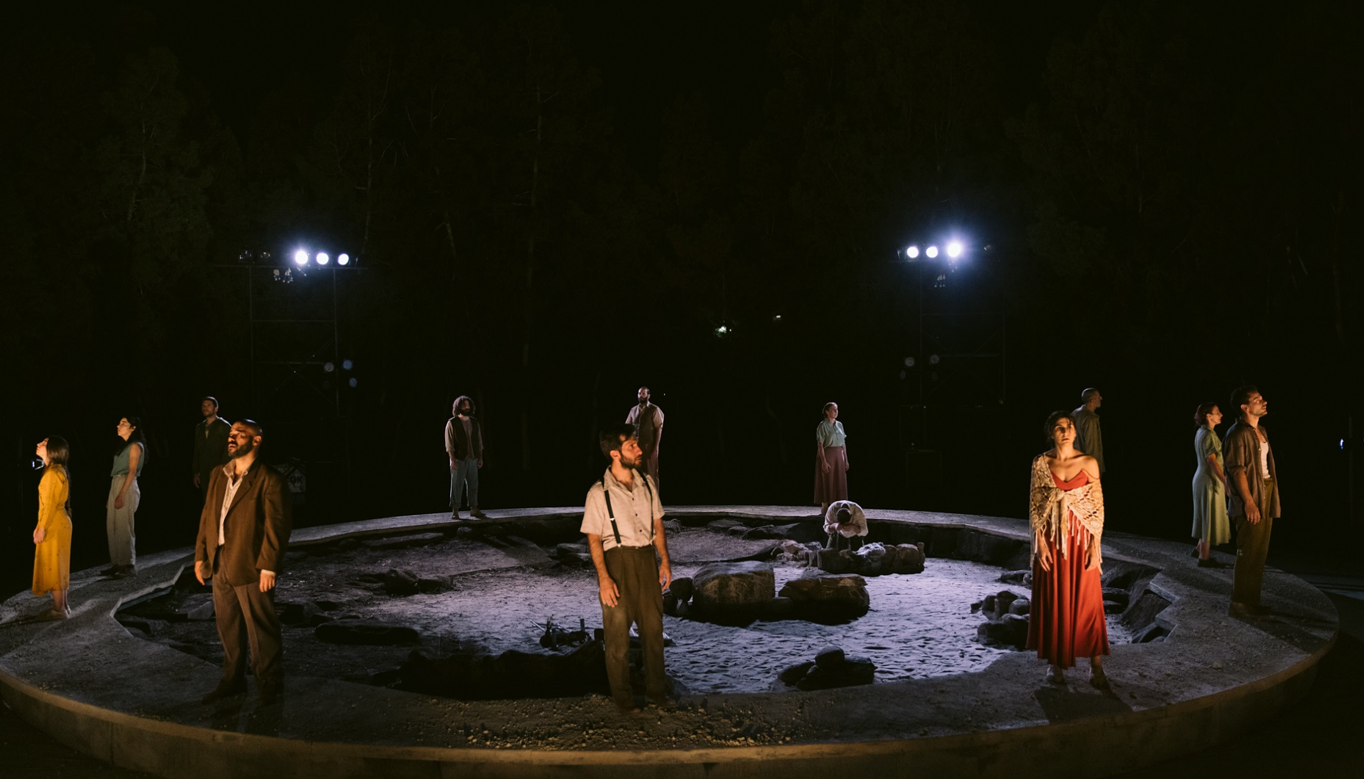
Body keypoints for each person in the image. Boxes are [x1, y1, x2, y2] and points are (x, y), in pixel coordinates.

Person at [194, 420, 293, 705]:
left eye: (240, 434)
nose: (232, 437)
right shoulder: (218, 474)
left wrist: (269, 566)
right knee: (228, 626)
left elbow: (277, 526)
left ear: (256, 440)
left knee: (260, 627)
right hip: (220, 561)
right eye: (231, 434)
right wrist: (200, 556)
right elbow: (207, 516)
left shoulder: (270, 479)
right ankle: (232, 681)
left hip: (251, 563)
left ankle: (269, 684)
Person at [580, 423, 672, 713]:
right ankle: (624, 699)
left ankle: (657, 694)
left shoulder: (647, 484)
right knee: (618, 637)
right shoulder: (599, 493)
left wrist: (664, 560)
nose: (639, 449)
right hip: (617, 562)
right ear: (615, 453)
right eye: (632, 445)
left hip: (646, 559)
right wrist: (604, 579)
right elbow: (594, 539)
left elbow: (657, 525)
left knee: (653, 633)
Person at [1027, 411, 1109, 689]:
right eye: (1059, 427)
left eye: (1069, 426)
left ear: (1075, 431)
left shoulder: (1088, 462)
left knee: (1089, 601)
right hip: (1052, 541)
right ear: (1051, 432)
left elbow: (1097, 509)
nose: (1065, 431)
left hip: (1080, 540)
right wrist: (1039, 544)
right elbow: (1035, 506)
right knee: (1054, 598)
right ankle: (1055, 664)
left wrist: (1094, 546)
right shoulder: (1041, 463)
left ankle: (1096, 666)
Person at [1223, 386, 1280, 619]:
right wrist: (1248, 502)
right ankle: (1238, 604)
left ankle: (1251, 602)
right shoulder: (1237, 434)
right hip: (1252, 494)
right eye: (1257, 400)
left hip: (1265, 490)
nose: (1263, 402)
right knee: (1247, 552)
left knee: (1259, 552)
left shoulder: (1261, 430)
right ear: (1244, 407)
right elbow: (1237, 470)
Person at [32, 437, 73, 621]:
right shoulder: (58, 470)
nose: (39, 444)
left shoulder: (52, 473)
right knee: (60, 564)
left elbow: (48, 505)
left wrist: (41, 527)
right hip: (59, 521)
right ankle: (63, 606)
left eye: (44, 443)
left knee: (55, 565)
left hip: (54, 523)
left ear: (53, 449)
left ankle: (59, 609)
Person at [104, 416, 145, 578]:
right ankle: (118, 562)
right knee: (112, 525)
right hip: (116, 482)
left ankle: (128, 564)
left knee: (124, 525)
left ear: (133, 428)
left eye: (123, 423)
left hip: (126, 484)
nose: (119, 425)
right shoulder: (124, 447)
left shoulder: (135, 446)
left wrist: (121, 494)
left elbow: (132, 471)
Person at [1191, 402, 1230, 568]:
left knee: (1205, 514)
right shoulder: (1209, 435)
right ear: (1209, 416)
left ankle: (1199, 549)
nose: (1221, 415)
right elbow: (1212, 461)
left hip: (1201, 478)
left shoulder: (1201, 432)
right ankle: (1204, 557)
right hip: (1208, 480)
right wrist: (1225, 482)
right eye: (1217, 412)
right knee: (1209, 516)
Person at [445, 396, 486, 519]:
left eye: (468, 405)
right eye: (464, 405)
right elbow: (449, 444)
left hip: (473, 458)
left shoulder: (474, 422)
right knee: (456, 485)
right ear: (458, 407)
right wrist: (453, 459)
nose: (467, 407)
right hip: (459, 459)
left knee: (473, 484)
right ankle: (455, 510)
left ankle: (474, 508)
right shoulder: (452, 422)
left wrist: (480, 457)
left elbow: (479, 442)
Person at [625, 387, 665, 490]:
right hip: (636, 446)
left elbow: (658, 429)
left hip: (649, 446)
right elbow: (627, 427)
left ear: (648, 396)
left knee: (651, 473)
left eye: (643, 394)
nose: (640, 396)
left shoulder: (654, 409)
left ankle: (653, 496)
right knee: (637, 473)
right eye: (639, 393)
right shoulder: (633, 410)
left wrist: (655, 448)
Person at [814, 402, 849, 516]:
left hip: (839, 455)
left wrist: (845, 459)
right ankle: (825, 506)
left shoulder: (839, 424)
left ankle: (838, 506)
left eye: (837, 409)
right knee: (827, 479)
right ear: (827, 411)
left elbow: (843, 443)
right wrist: (824, 461)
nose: (836, 412)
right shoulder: (822, 425)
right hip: (828, 454)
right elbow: (820, 445)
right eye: (833, 410)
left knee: (839, 479)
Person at [193, 396, 232, 494]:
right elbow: (197, 451)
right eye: (203, 406)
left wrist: (223, 470)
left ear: (216, 408)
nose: (205, 408)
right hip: (204, 470)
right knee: (207, 498)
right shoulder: (199, 428)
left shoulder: (224, 426)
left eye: (208, 405)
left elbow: (228, 450)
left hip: (220, 470)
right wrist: (196, 471)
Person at [1071, 389, 1105, 475]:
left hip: (1075, 463)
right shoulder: (1090, 419)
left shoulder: (1075, 413)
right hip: (1087, 468)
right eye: (1098, 397)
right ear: (1092, 400)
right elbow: (1092, 446)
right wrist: (1094, 468)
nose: (1101, 398)